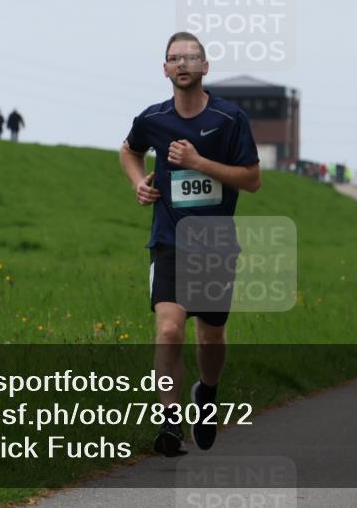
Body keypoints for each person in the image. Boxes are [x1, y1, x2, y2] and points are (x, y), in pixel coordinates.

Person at [120, 31, 260, 456]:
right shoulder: (153, 119)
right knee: (167, 329)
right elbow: (129, 151)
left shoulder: (230, 118)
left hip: (215, 244)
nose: (182, 64)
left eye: (191, 57)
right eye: (174, 58)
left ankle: (208, 394)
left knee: (210, 339)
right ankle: (168, 422)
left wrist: (199, 163)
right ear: (164, 68)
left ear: (205, 67)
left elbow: (252, 180)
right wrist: (138, 182)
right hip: (169, 240)